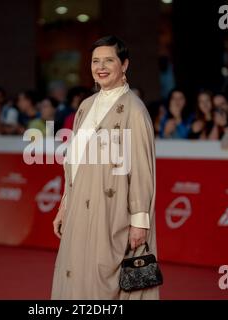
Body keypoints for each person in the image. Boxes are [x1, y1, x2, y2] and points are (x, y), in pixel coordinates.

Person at [51, 35, 159, 299]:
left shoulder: (134, 110)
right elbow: (73, 163)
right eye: (95, 61)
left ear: (124, 65)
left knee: (102, 279)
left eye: (108, 60)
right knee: (75, 273)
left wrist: (139, 221)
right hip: (79, 208)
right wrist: (64, 205)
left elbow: (141, 170)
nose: (101, 66)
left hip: (112, 210)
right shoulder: (85, 107)